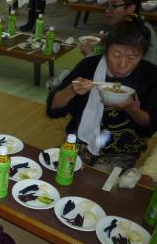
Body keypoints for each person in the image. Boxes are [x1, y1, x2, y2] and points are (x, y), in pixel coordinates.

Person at [47, 15, 157, 172]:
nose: (123, 64)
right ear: (106, 49)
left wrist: (131, 108)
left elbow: (150, 125)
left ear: (142, 54)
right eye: (116, 55)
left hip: (122, 149)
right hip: (80, 139)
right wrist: (71, 90)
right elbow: (53, 108)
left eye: (132, 57)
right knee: (61, 172)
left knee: (96, 184)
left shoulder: (151, 75)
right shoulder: (89, 66)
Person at [80, 0, 157, 64]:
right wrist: (109, 41)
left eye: (114, 6)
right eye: (107, 5)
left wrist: (89, 54)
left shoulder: (137, 32)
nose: (108, 10)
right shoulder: (133, 23)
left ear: (131, 8)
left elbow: (117, 68)